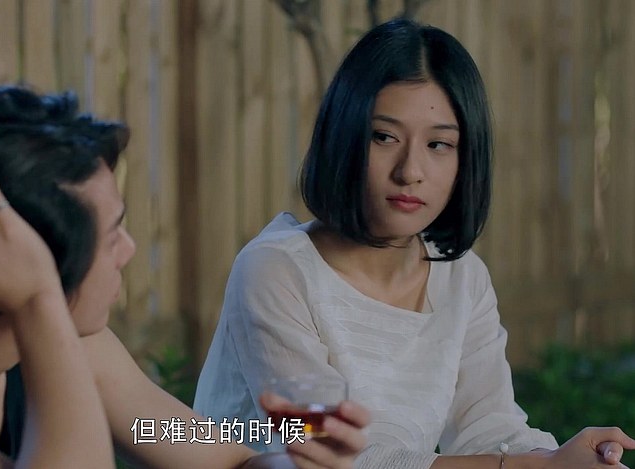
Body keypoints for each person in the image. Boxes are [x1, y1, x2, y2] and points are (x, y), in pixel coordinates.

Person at [0, 86, 370, 468]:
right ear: (24, 261)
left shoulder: (68, 342)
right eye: (112, 233)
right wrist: (39, 301)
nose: (129, 250)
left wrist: (296, 448)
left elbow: (185, 441)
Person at [193, 18, 635, 469]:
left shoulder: (462, 278)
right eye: (384, 137)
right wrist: (534, 468)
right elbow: (330, 454)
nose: (410, 171)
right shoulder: (274, 271)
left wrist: (565, 460)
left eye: (439, 144)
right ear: (344, 137)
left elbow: (489, 429)